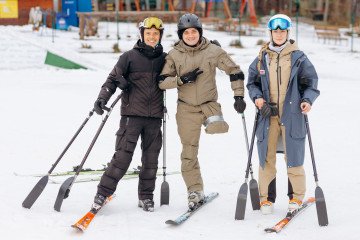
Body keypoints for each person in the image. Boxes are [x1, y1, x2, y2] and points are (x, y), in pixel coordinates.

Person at [158, 13, 246, 210]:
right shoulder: (173, 55)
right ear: (181, 35)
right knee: (189, 151)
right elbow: (162, 82)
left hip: (208, 105)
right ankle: (195, 190)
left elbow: (235, 71)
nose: (190, 35)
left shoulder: (213, 51)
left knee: (219, 128)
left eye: (194, 32)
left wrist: (238, 96)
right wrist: (181, 80)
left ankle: (210, 122)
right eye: (186, 32)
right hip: (186, 109)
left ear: (200, 32)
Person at [246, 14, 320, 214]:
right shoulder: (262, 57)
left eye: (282, 31)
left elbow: (311, 83)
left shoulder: (299, 57)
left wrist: (306, 100)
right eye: (275, 31)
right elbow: (251, 82)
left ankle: (295, 198)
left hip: (292, 114)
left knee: (294, 157)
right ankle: (266, 199)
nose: (279, 34)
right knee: (266, 157)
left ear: (288, 33)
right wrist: (257, 97)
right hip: (267, 114)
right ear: (270, 33)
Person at [91, 17, 167, 212]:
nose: (152, 37)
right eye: (148, 33)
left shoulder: (165, 59)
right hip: (131, 116)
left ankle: (146, 197)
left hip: (155, 118)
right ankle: (102, 193)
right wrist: (102, 99)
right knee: (122, 158)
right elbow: (112, 79)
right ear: (142, 35)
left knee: (151, 160)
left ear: (160, 36)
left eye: (155, 34)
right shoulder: (129, 57)